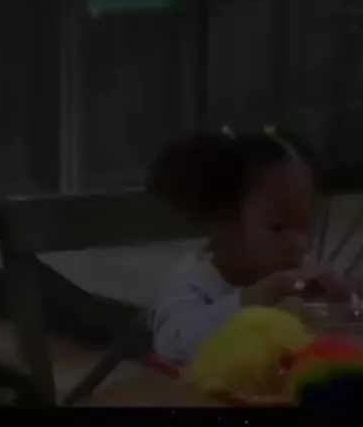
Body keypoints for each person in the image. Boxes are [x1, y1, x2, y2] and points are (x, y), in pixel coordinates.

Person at [146, 126, 350, 363]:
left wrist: (339, 303)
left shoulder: (295, 273)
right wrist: (254, 297)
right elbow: (172, 343)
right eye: (277, 227)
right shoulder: (191, 284)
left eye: (304, 227)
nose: (299, 244)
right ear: (224, 221)